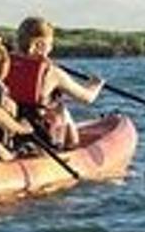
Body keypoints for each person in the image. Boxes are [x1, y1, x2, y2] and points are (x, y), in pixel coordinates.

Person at [7, 15, 105, 149]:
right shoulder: (53, 73)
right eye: (50, 44)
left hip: (8, 126)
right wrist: (95, 85)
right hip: (40, 134)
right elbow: (87, 98)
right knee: (62, 109)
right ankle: (73, 148)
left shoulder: (4, 62)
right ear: (40, 45)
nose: (51, 48)